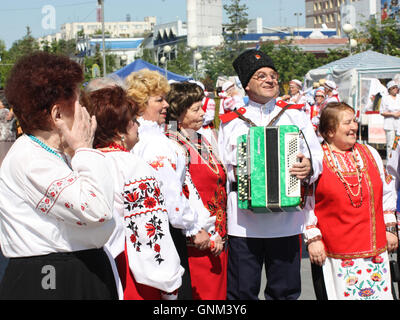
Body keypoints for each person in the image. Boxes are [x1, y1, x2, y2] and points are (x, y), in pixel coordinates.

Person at [0, 51, 118, 299]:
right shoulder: (31, 159)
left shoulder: (51, 153)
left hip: (72, 270)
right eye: (79, 101)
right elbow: (97, 209)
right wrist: (84, 148)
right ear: (57, 115)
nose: (86, 111)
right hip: (51, 280)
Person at [218, 49, 323, 300]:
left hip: (286, 223)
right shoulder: (231, 122)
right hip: (243, 224)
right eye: (261, 75)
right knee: (242, 293)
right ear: (246, 85)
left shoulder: (296, 116)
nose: (270, 80)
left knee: (284, 292)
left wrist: (308, 168)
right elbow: (221, 168)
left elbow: (318, 158)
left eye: (273, 75)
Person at [83, 86, 184, 300]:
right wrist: (169, 284)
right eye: (133, 120)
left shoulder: (84, 161)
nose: (138, 125)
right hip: (131, 271)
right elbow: (150, 232)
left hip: (94, 268)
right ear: (119, 130)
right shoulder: (133, 167)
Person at [125, 69, 210, 299]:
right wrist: (193, 227)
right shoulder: (153, 142)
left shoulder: (145, 135)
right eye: (158, 99)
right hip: (165, 229)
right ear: (141, 103)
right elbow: (170, 194)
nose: (165, 105)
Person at [305, 102, 397, 300]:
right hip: (334, 252)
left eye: (354, 121)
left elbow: (387, 192)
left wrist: (390, 229)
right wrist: (313, 238)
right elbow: (305, 202)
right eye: (347, 123)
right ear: (330, 131)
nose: (354, 126)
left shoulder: (370, 154)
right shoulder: (317, 159)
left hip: (375, 250)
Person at [165, 81, 228, 300]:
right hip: (196, 241)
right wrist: (204, 230)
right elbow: (181, 192)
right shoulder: (172, 143)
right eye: (196, 109)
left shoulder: (199, 138)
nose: (203, 113)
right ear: (179, 113)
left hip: (217, 236)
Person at [379, 80, 400, 158]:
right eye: (393, 88)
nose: (395, 89)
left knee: (398, 143)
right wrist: (392, 114)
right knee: (390, 144)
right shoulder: (385, 98)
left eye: (396, 87)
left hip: (398, 123)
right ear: (389, 89)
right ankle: (390, 162)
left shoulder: (399, 97)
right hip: (389, 123)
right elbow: (381, 112)